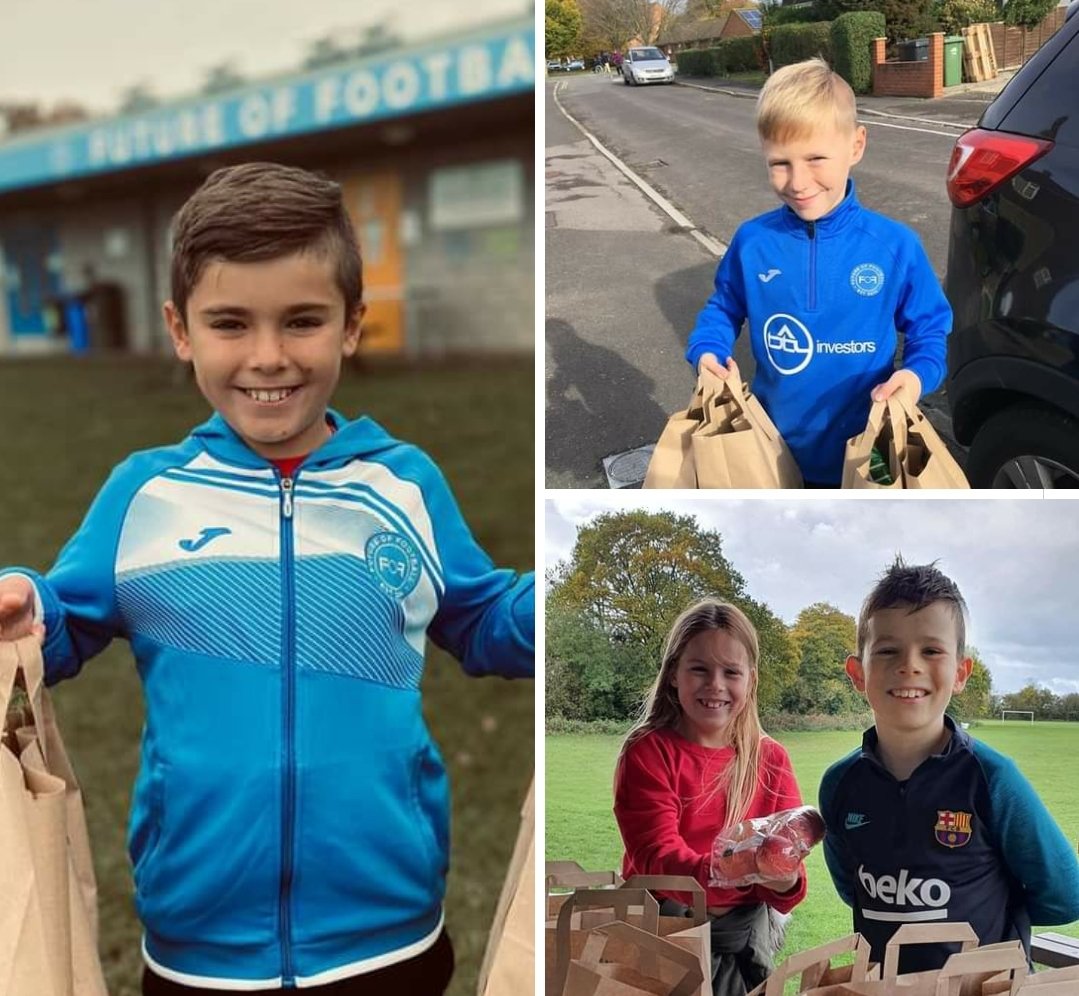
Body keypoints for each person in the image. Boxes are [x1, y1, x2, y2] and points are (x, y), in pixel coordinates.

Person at [0, 162, 535, 996]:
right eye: (229, 324)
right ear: (181, 330)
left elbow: (479, 616)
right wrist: (26, 604)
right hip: (198, 947)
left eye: (302, 321)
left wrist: (561, 604)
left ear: (351, 325)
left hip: (388, 940)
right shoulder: (145, 494)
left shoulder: (403, 485)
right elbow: (62, 622)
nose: (268, 357)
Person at [685, 58, 950, 487]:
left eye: (816, 158)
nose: (798, 181)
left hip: (870, 449)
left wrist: (916, 377)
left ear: (856, 145)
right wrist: (707, 349)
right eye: (780, 163)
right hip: (772, 446)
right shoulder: (753, 242)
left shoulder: (895, 246)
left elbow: (931, 331)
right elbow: (724, 306)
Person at [820, 558, 1079, 975]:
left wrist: (999, 915)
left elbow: (1066, 894)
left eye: (931, 650)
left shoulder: (993, 778)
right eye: (887, 650)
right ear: (857, 672)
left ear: (960, 673)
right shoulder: (840, 784)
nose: (910, 665)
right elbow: (853, 891)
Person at [613, 599, 808, 995]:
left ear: (750, 680)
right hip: (660, 935)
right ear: (673, 675)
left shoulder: (771, 759)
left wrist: (784, 876)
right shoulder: (648, 752)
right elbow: (657, 857)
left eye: (731, 672)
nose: (715, 684)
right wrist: (732, 870)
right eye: (699, 669)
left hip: (744, 941)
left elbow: (789, 887)